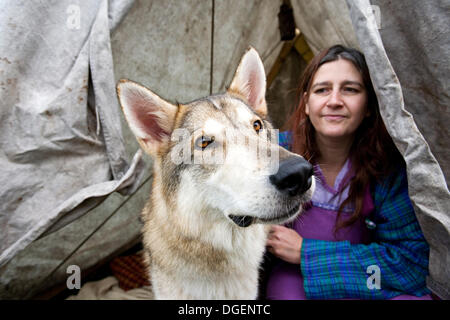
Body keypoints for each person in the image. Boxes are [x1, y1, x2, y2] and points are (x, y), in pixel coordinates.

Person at [265, 45, 432, 300]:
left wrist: (306, 252)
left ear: (368, 106)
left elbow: (410, 265)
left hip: (366, 281)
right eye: (322, 90)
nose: (334, 101)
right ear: (307, 103)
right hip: (293, 279)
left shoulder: (388, 170)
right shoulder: (274, 153)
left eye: (350, 89)